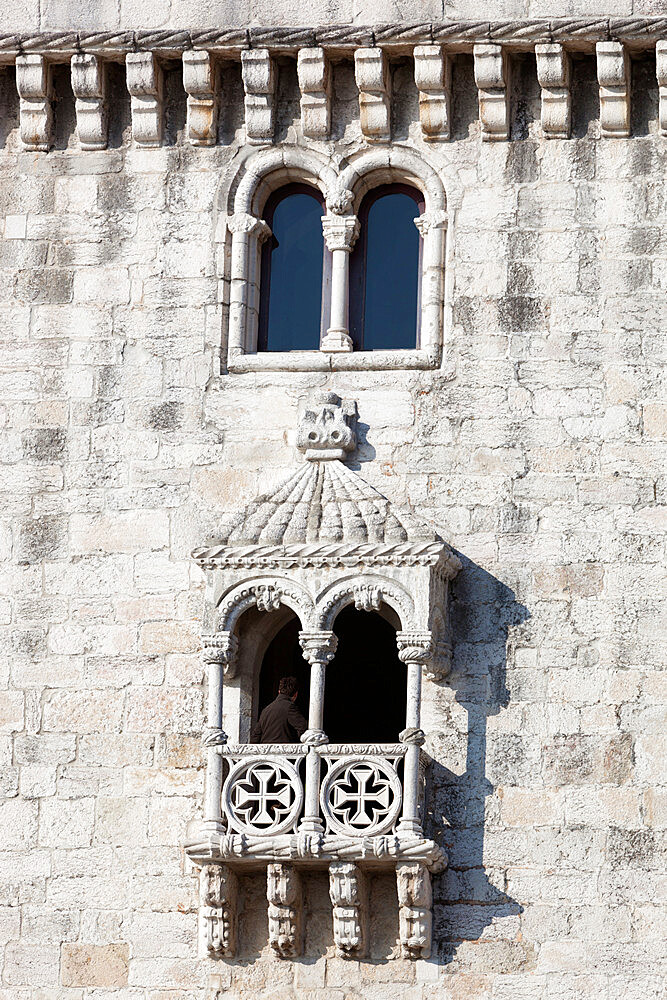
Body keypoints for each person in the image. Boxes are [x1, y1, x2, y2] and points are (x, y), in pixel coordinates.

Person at [249, 676, 308, 744]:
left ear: (279, 691)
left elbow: (255, 737)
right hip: (283, 752)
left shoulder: (266, 710)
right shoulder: (290, 707)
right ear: (296, 694)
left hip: (265, 752)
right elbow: (303, 728)